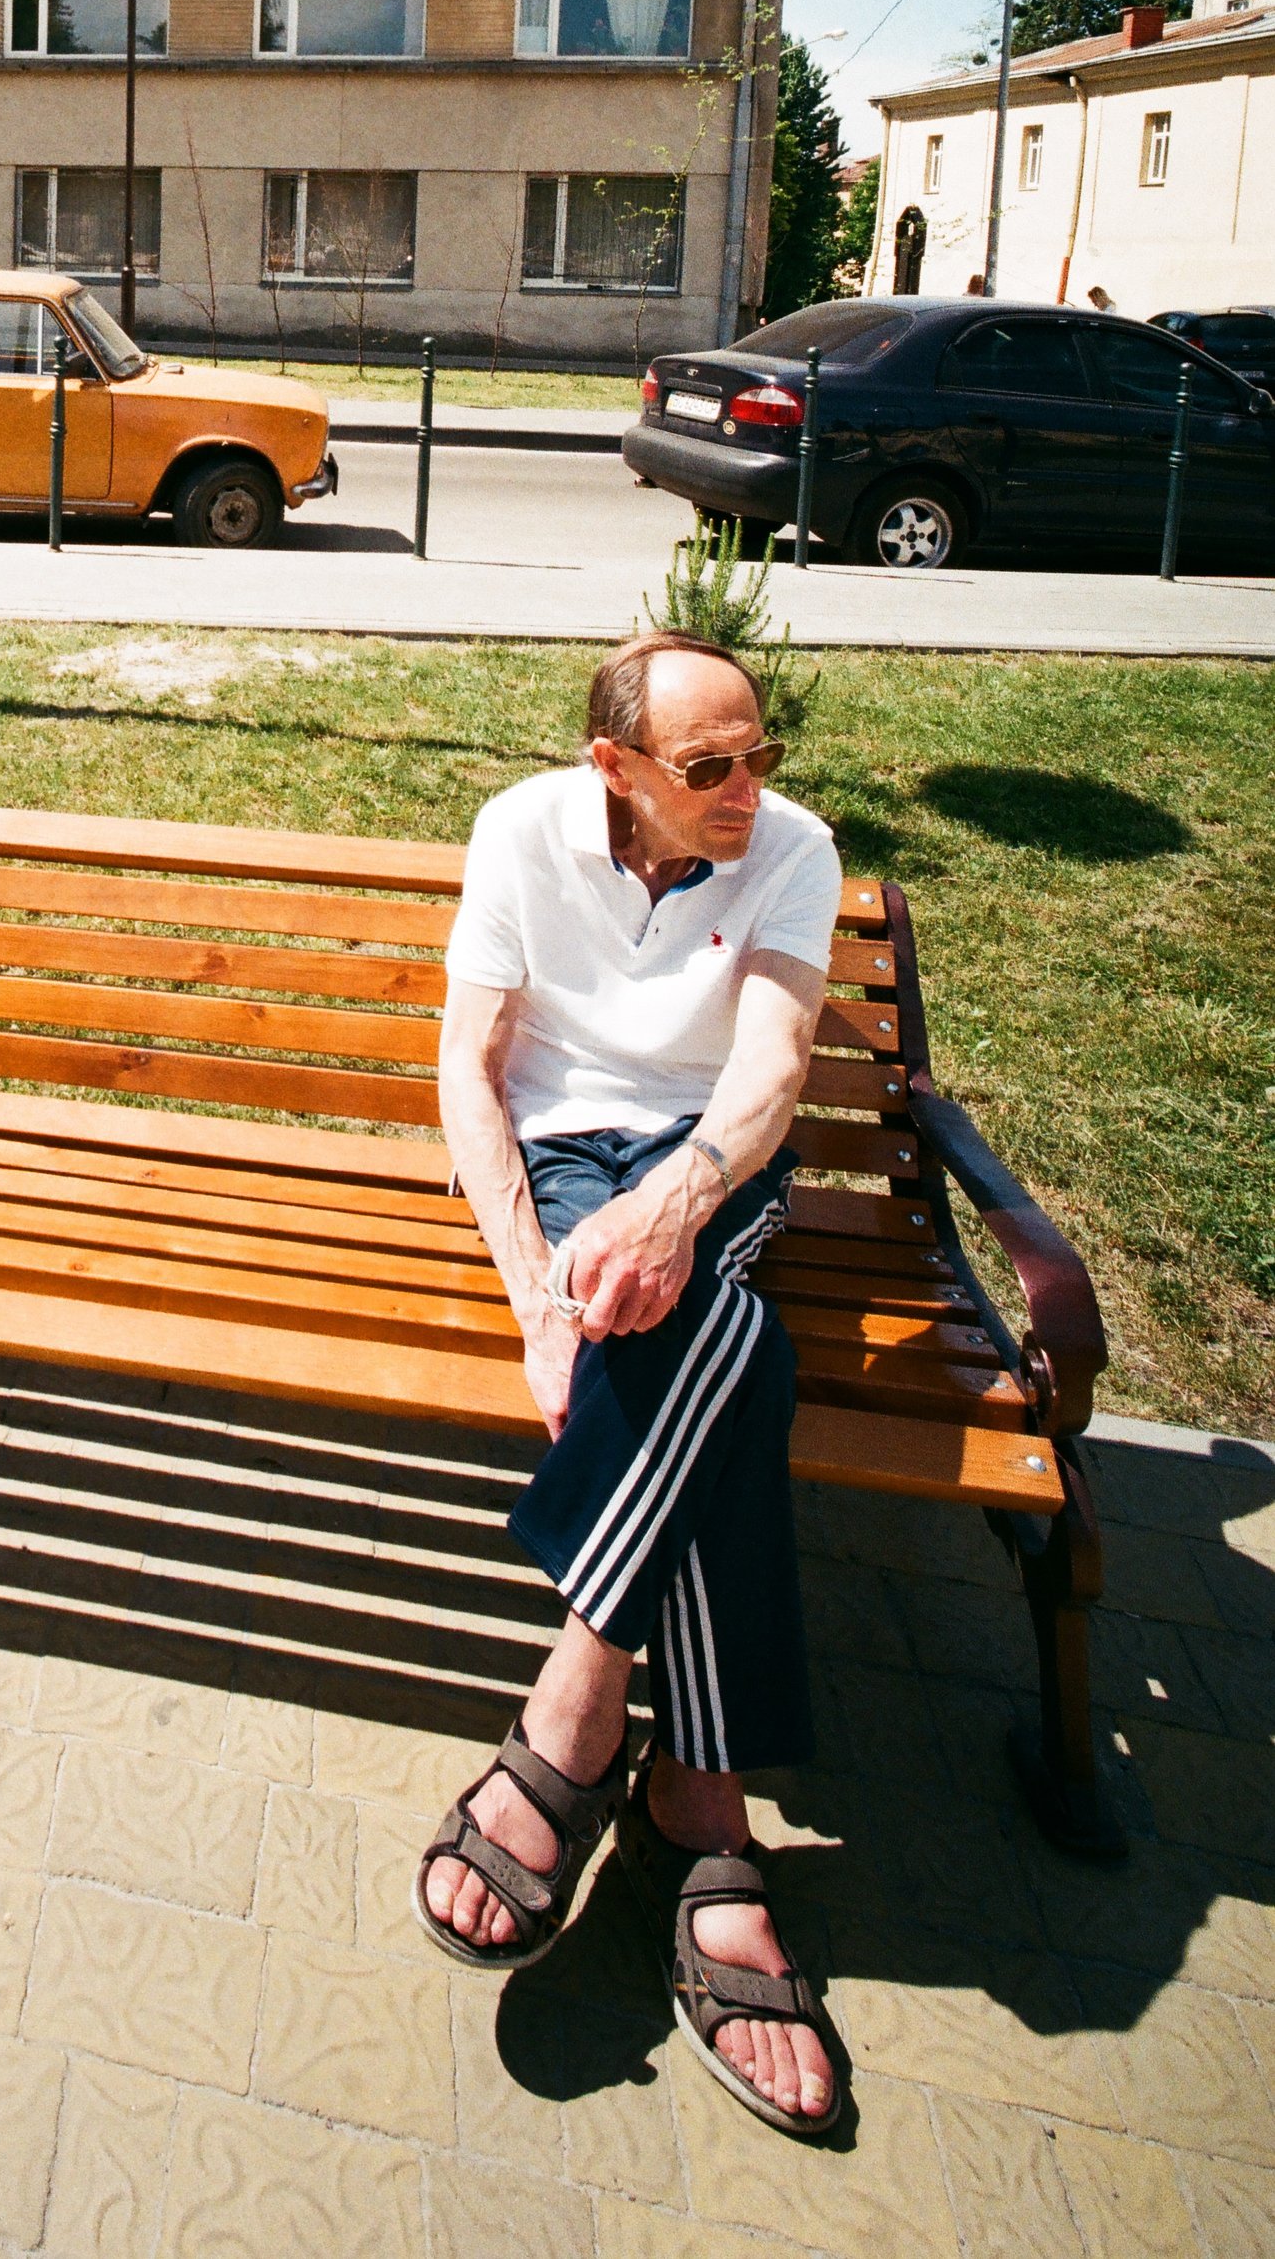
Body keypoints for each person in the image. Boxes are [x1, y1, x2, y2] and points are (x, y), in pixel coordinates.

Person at [416, 631, 844, 2141]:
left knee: (698, 1310)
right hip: (564, 1148)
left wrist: (679, 1205)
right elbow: (470, 1069)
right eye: (707, 766)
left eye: (759, 756)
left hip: (710, 1156)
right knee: (742, 1357)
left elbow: (774, 1067)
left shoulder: (791, 849)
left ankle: (575, 1711)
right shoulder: (524, 832)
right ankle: (703, 1798)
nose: (746, 789)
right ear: (618, 767)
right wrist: (542, 1297)